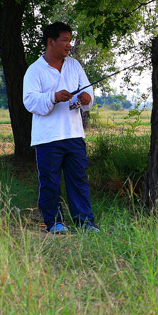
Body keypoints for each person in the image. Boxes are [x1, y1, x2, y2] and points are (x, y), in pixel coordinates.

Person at [23, 22, 99, 234]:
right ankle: (54, 223)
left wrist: (85, 98)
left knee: (79, 180)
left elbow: (88, 94)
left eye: (69, 40)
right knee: (50, 182)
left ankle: (85, 223)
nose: (69, 45)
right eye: (64, 40)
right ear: (51, 42)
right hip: (47, 138)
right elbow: (29, 101)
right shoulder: (35, 70)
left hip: (74, 135)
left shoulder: (74, 65)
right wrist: (53, 97)